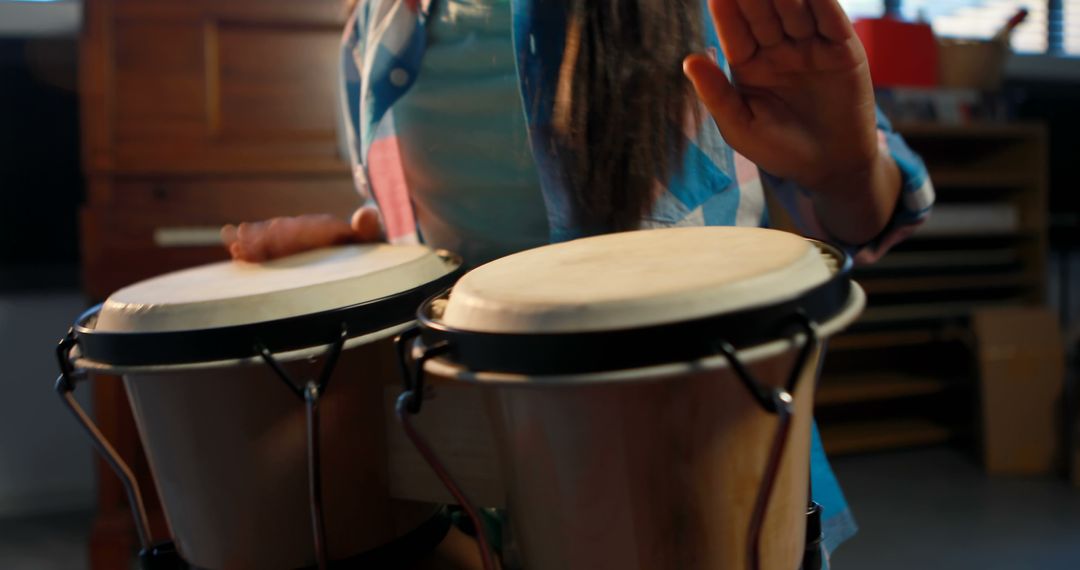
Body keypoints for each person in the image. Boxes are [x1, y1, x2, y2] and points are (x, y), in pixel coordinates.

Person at [223, 0, 935, 566]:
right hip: (473, 471)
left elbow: (859, 212)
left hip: (694, 466)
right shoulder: (377, 19)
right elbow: (449, 236)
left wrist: (841, 169)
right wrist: (352, 255)